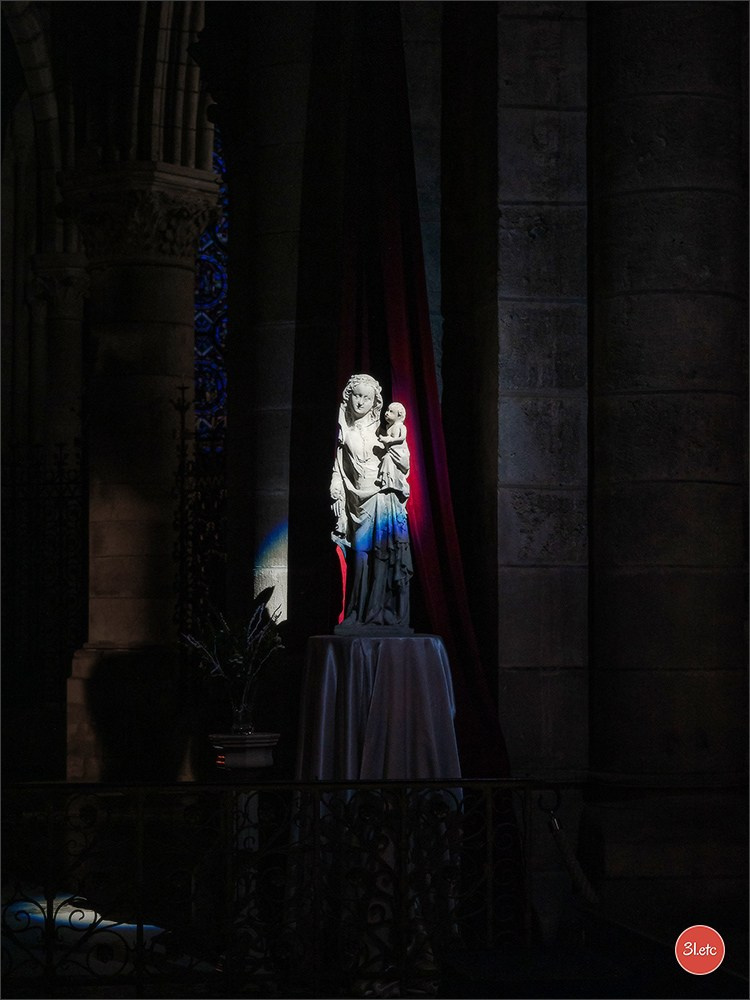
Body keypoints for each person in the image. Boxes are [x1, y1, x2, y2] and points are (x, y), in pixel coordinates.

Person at [330, 374, 413, 632]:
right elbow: (339, 467)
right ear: (349, 397)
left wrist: (395, 451)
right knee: (360, 556)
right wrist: (336, 487)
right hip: (358, 499)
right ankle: (357, 612)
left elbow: (404, 462)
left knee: (382, 555)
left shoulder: (383, 429)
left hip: (381, 496)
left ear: (374, 401)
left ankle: (380, 612)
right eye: (357, 396)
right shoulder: (345, 429)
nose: (360, 402)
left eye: (367, 398)